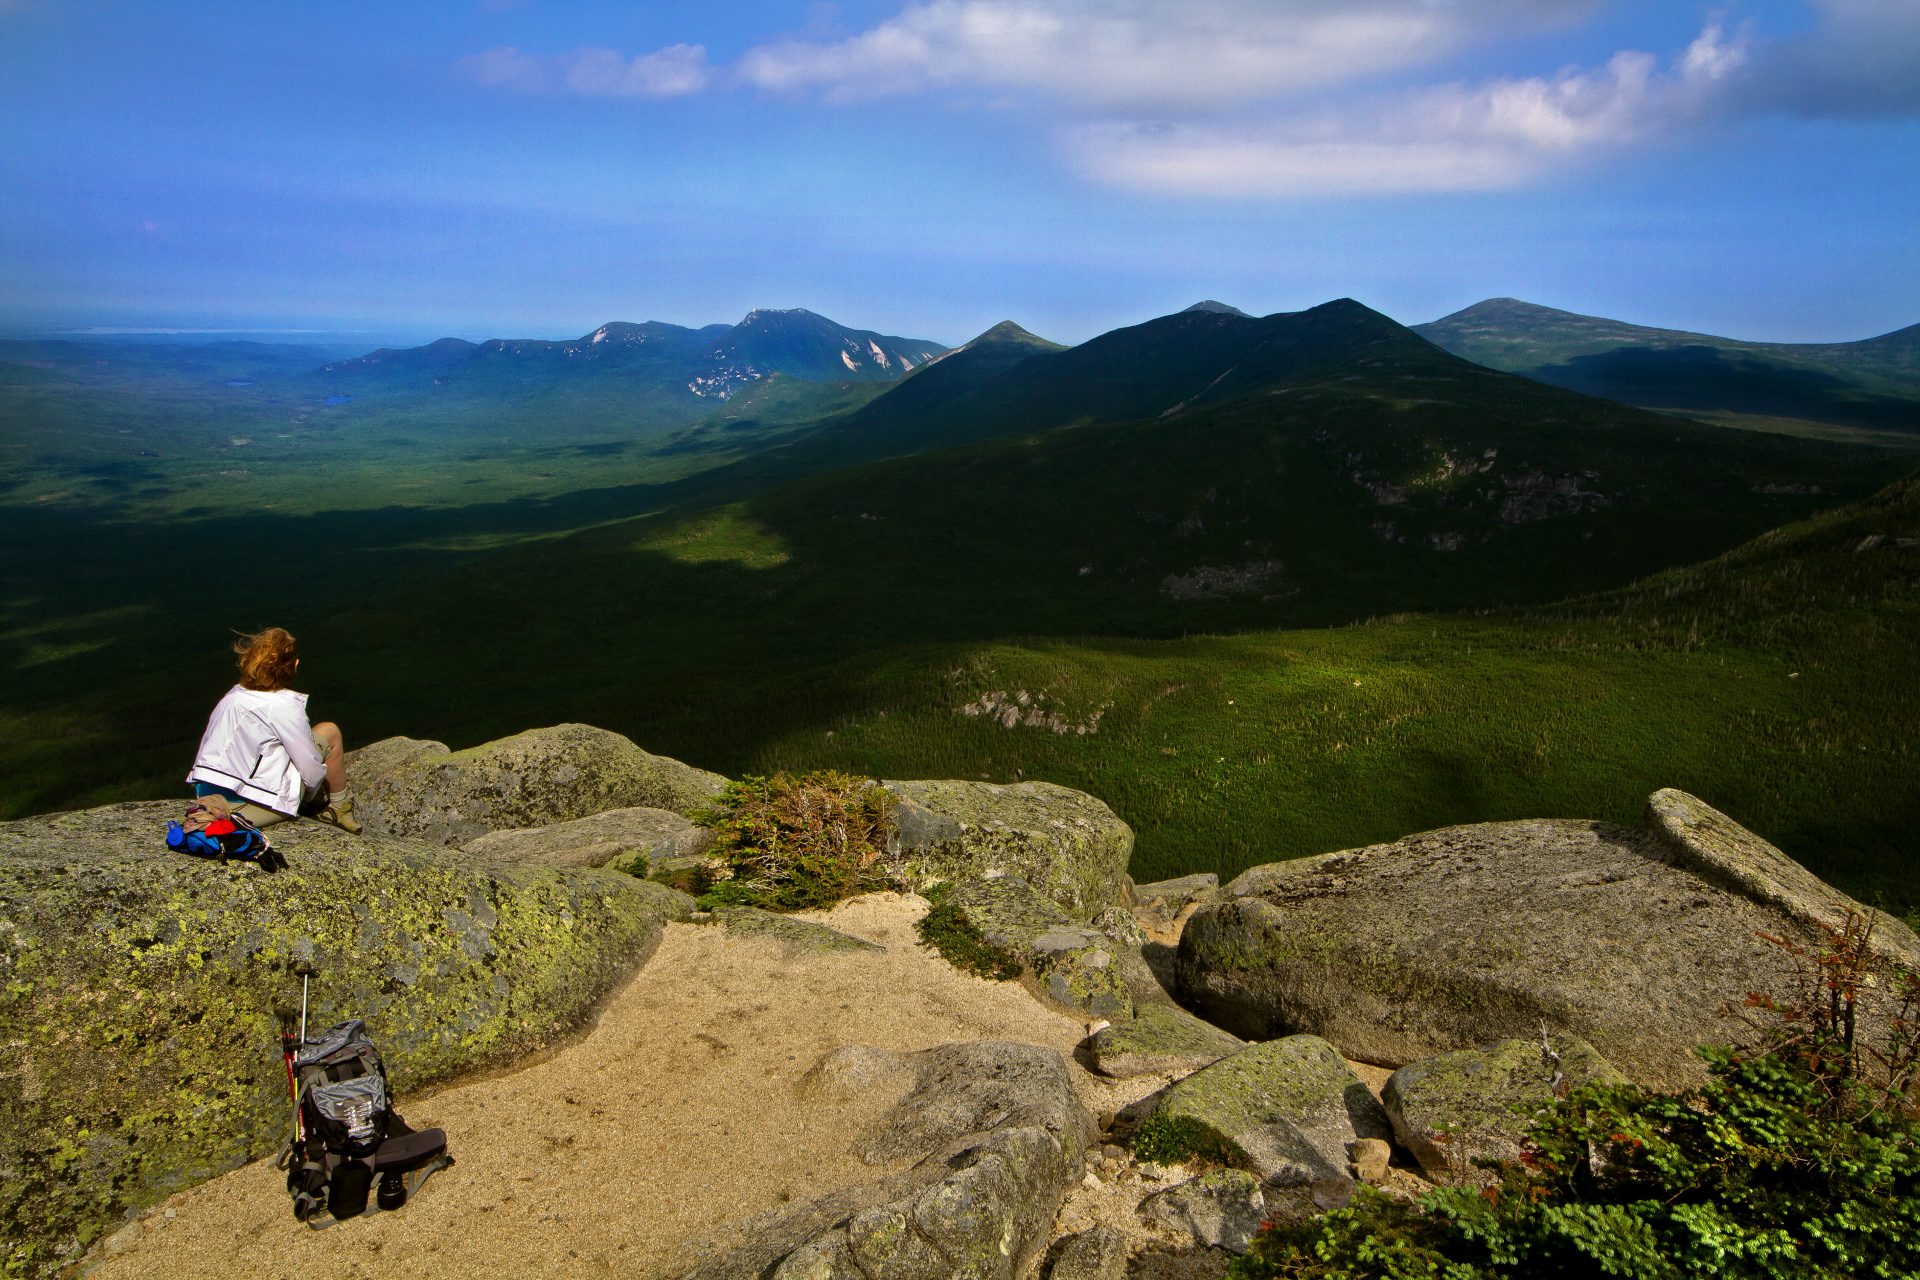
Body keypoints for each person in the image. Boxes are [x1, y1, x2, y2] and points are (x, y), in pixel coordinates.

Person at [187, 627, 360, 834]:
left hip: (208, 798)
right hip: (246, 806)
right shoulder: (283, 706)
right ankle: (339, 808)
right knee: (329, 731)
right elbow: (310, 770)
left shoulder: (232, 697)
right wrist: (306, 795)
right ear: (294, 664)